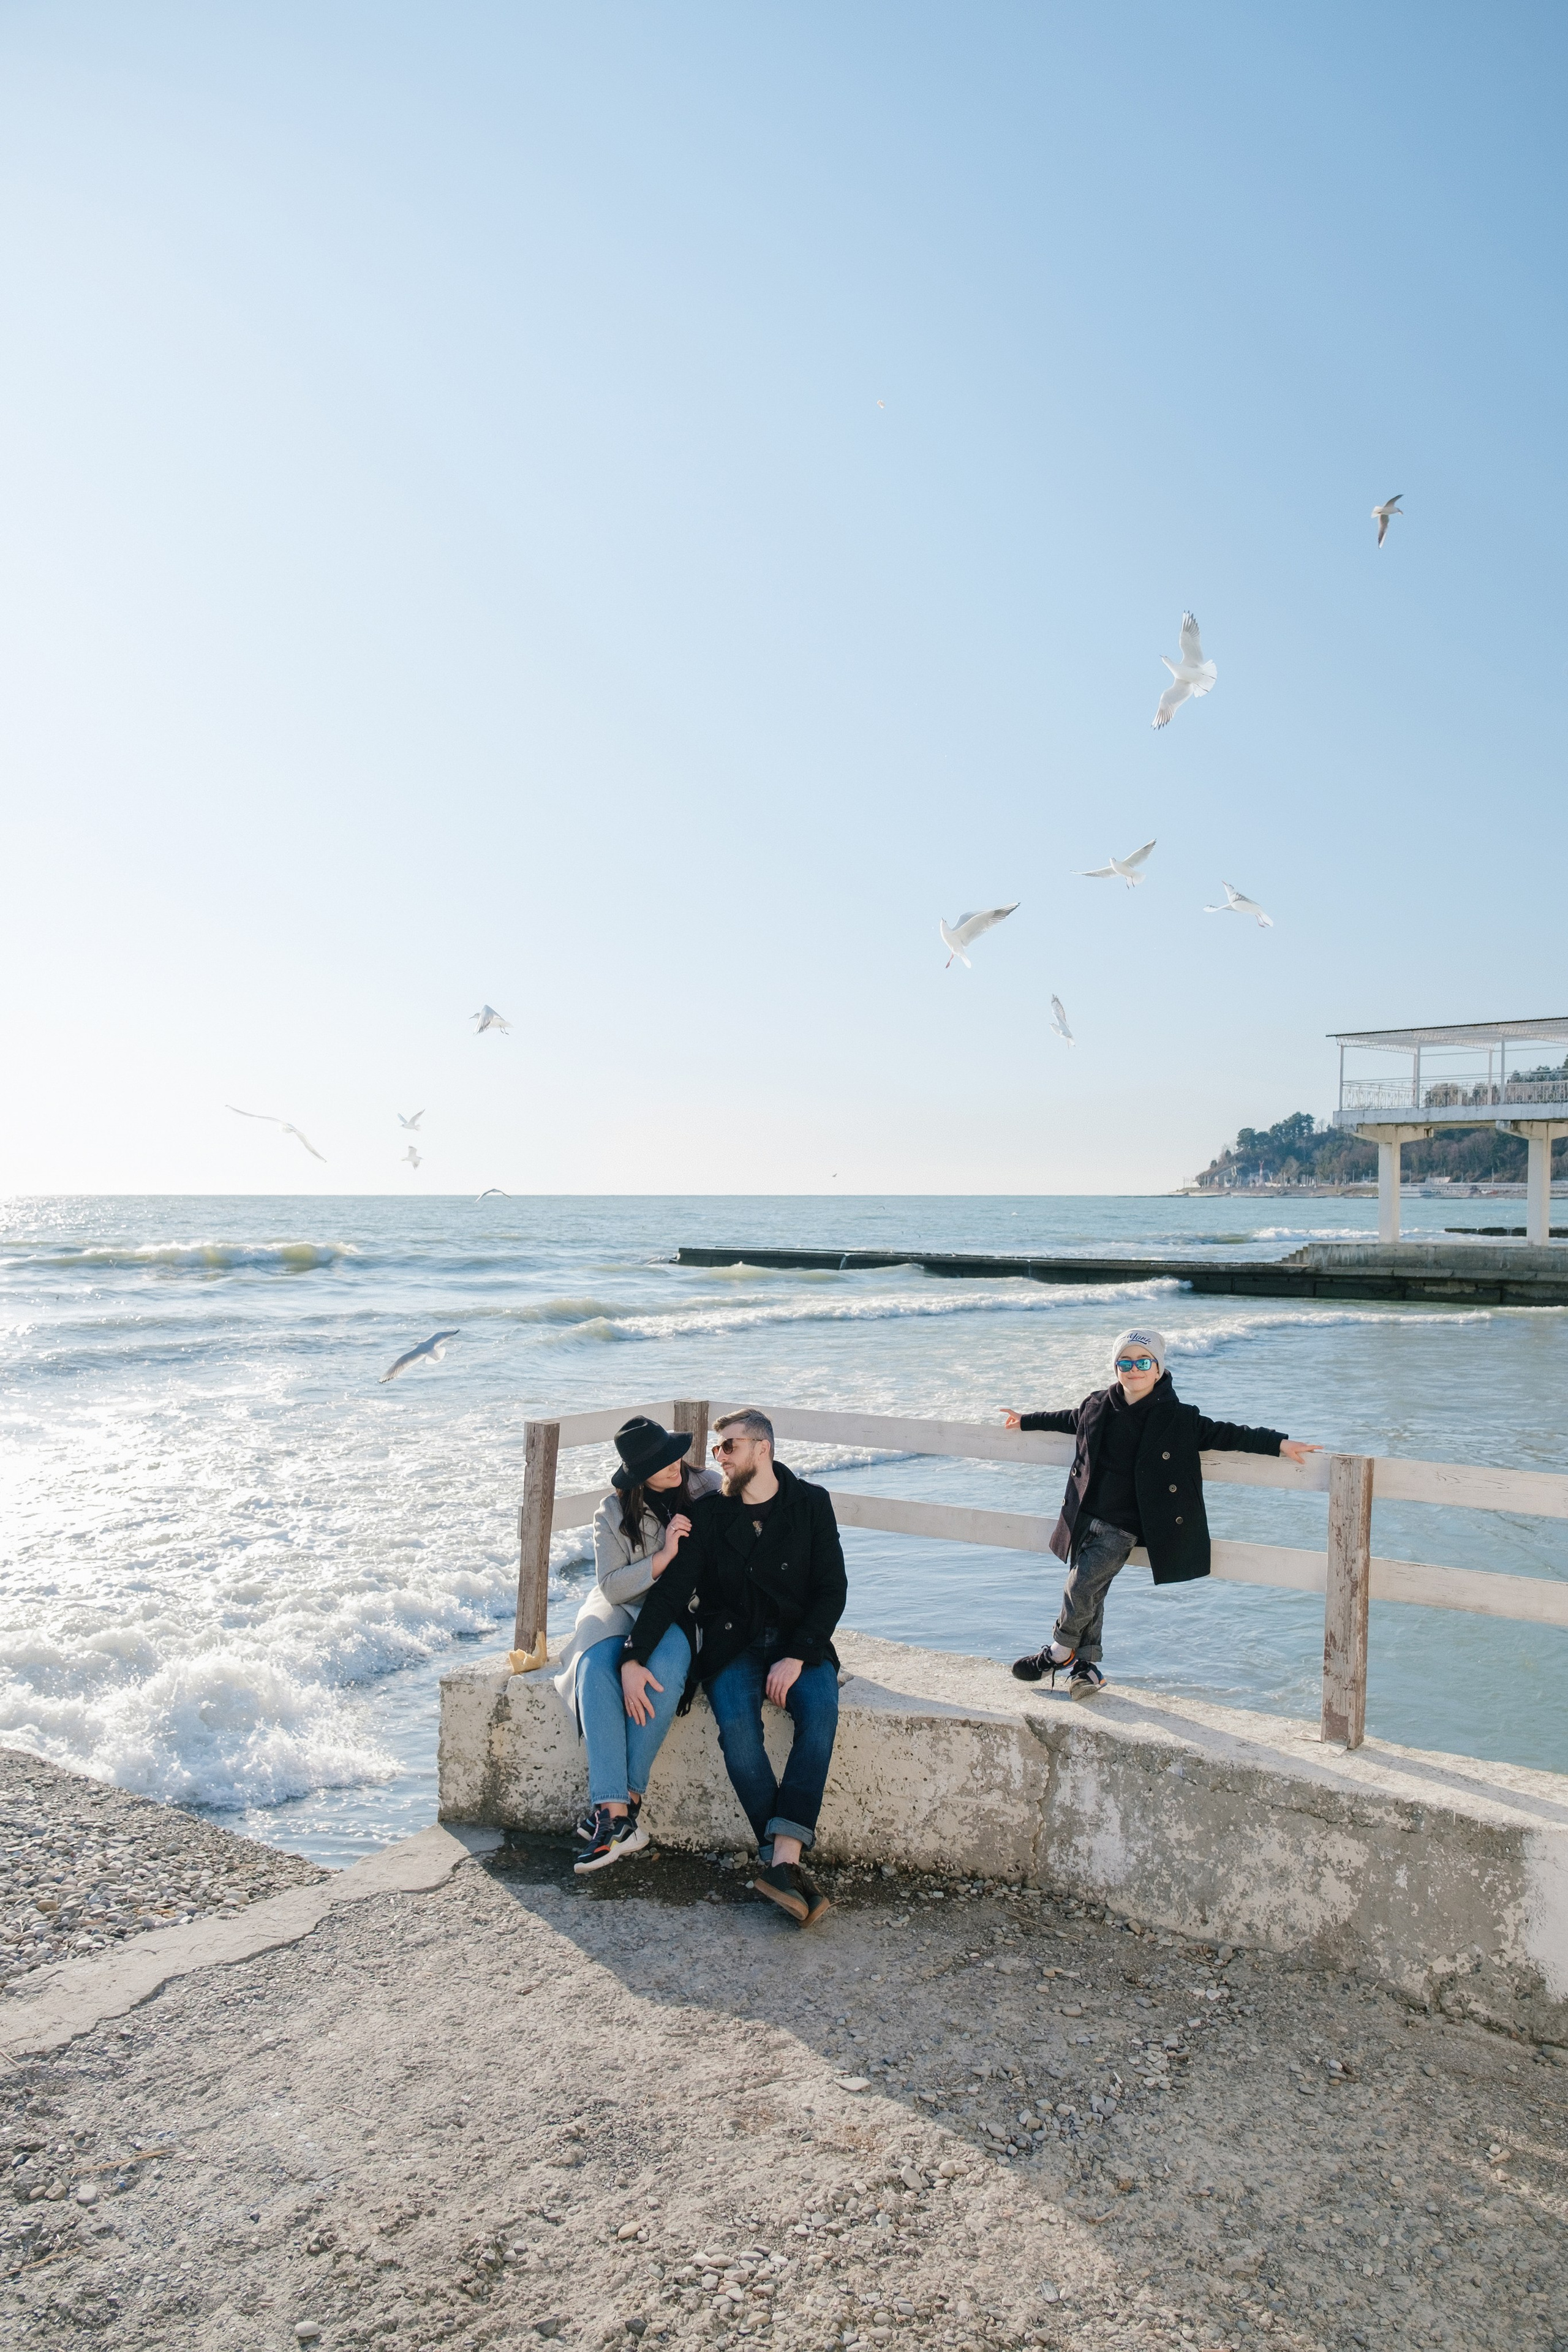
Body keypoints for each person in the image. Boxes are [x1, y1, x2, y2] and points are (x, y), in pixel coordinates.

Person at [1001, 1325, 1321, 1694]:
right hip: (1084, 1517)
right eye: (1125, 1362)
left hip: (1124, 1527)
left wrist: (1278, 1443)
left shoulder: (1179, 1418)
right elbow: (1065, 1419)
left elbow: (1228, 1434)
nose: (1133, 1368)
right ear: (1116, 1368)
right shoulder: (1096, 1407)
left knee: (1082, 1585)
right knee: (1094, 1589)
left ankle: (1059, 1652)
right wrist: (1025, 1420)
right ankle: (1087, 1668)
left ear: (1158, 1369)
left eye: (1143, 1361)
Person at [620, 1407, 846, 1928]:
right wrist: (634, 1654)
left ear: (762, 1449)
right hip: (733, 1646)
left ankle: (780, 1861)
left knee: (821, 1712)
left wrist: (798, 1654)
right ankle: (786, 1868)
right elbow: (673, 1592)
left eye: (729, 1446)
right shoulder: (711, 1515)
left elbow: (832, 1589)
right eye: (718, 1448)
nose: (718, 1457)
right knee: (739, 1731)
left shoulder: (811, 1503)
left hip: (797, 1643)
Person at [552, 1415, 720, 1873]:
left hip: (682, 1608)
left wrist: (638, 1655)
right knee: (594, 1668)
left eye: (673, 1454)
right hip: (622, 1604)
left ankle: (617, 1808)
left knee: (662, 1675)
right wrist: (662, 1557)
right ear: (636, 1472)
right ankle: (619, 1817)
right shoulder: (611, 1511)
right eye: (659, 1462)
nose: (673, 1465)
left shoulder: (707, 1487)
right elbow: (611, 1586)